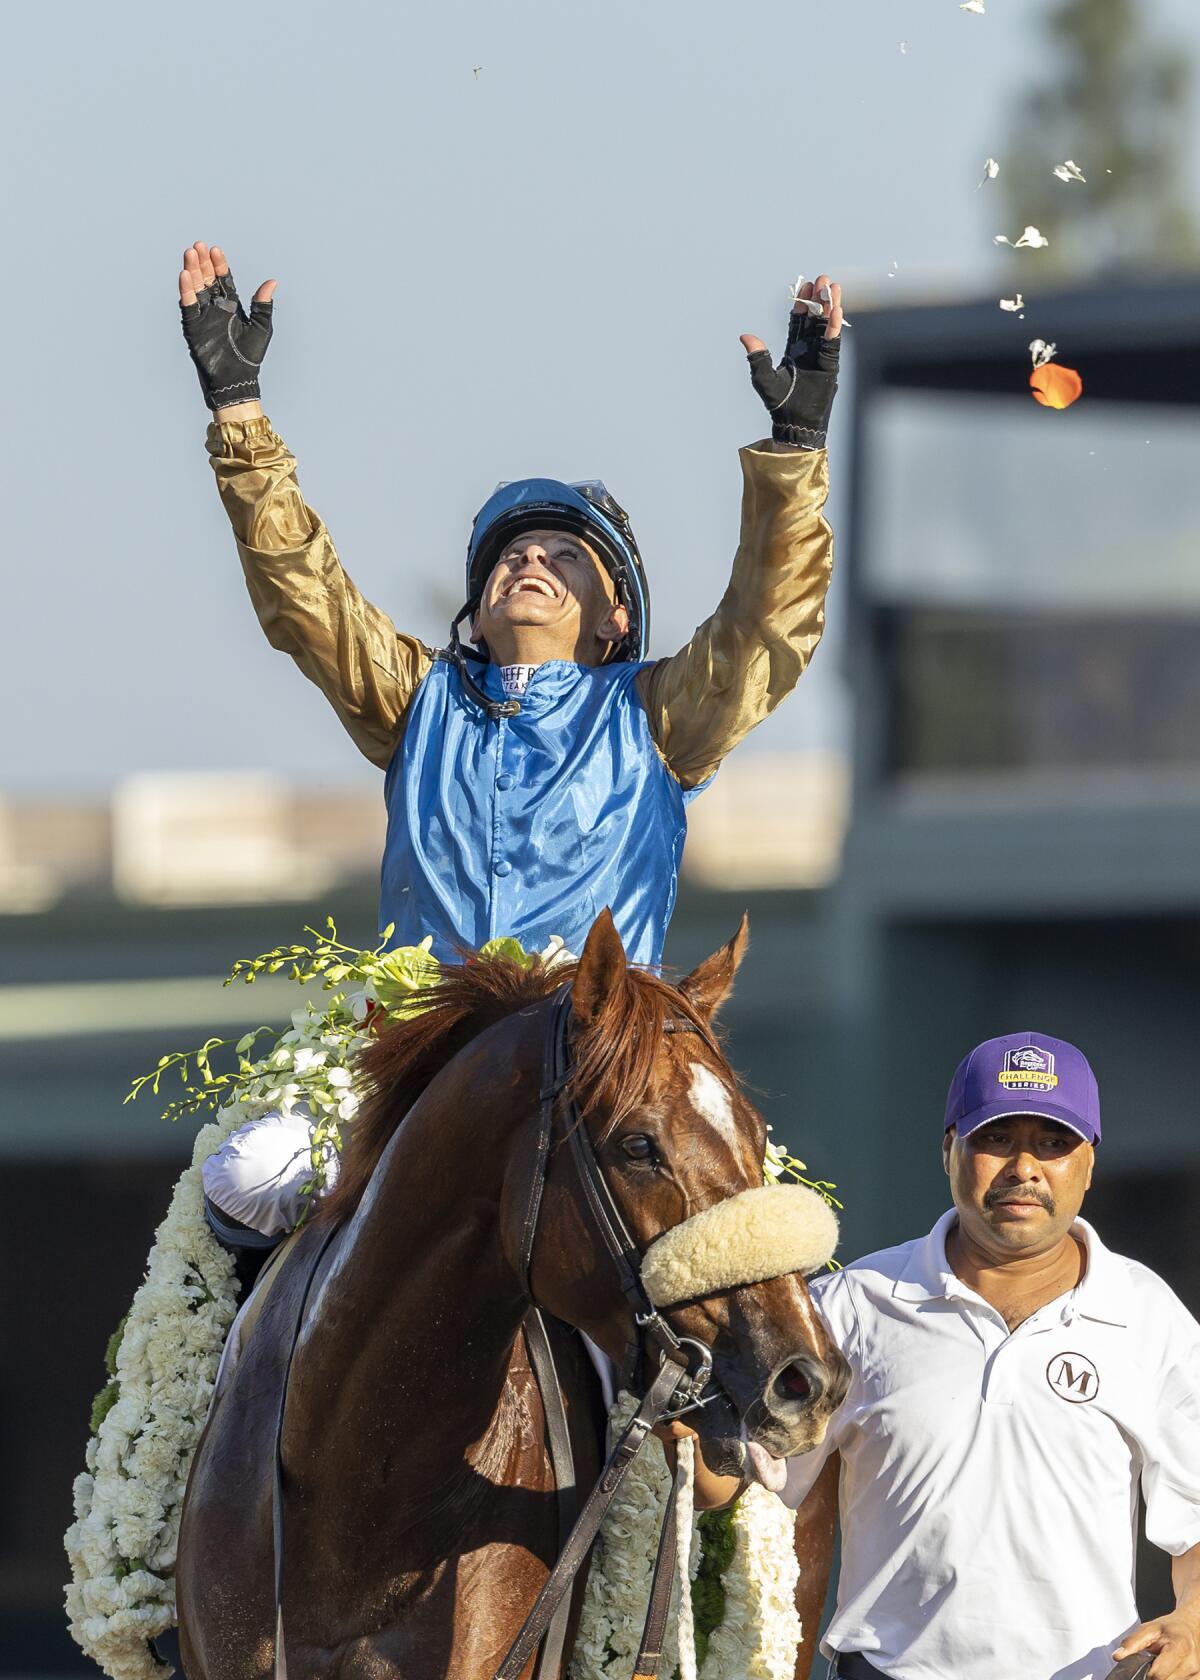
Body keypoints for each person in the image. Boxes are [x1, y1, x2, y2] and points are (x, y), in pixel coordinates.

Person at [176, 239, 844, 1260]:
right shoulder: (415, 700)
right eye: (510, 556)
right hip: (420, 1053)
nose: (529, 564)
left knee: (749, 1259)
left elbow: (767, 626)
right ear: (477, 611)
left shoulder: (661, 715)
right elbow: (301, 592)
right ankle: (227, 1405)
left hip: (598, 1069)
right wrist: (238, 409)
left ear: (613, 617)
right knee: (250, 1176)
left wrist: (795, 444)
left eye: (563, 556)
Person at [783, 1032, 1200, 1680]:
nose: (1024, 1168)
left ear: (1089, 1164)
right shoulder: (847, 1307)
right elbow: (742, 1486)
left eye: (1054, 1144)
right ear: (949, 1149)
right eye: (997, 1139)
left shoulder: (1149, 1316)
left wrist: (1191, 1621)